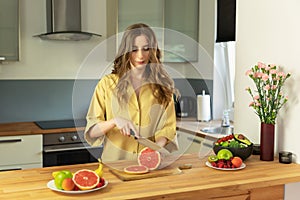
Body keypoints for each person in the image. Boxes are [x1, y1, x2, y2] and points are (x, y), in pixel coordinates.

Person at [84, 23, 180, 162]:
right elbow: (92, 131)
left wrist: (155, 148)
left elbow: (167, 128)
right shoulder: (107, 84)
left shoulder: (162, 88)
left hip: (149, 166)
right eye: (134, 50)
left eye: (146, 49)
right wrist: (114, 121)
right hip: (114, 165)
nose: (140, 55)